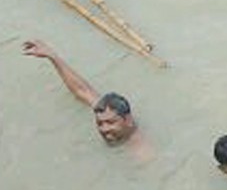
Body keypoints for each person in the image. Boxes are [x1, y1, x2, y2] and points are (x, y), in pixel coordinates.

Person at [22, 39, 153, 159]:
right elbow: (81, 90)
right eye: (100, 123)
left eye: (110, 122)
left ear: (128, 120)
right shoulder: (105, 110)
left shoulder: (142, 152)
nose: (104, 129)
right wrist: (52, 56)